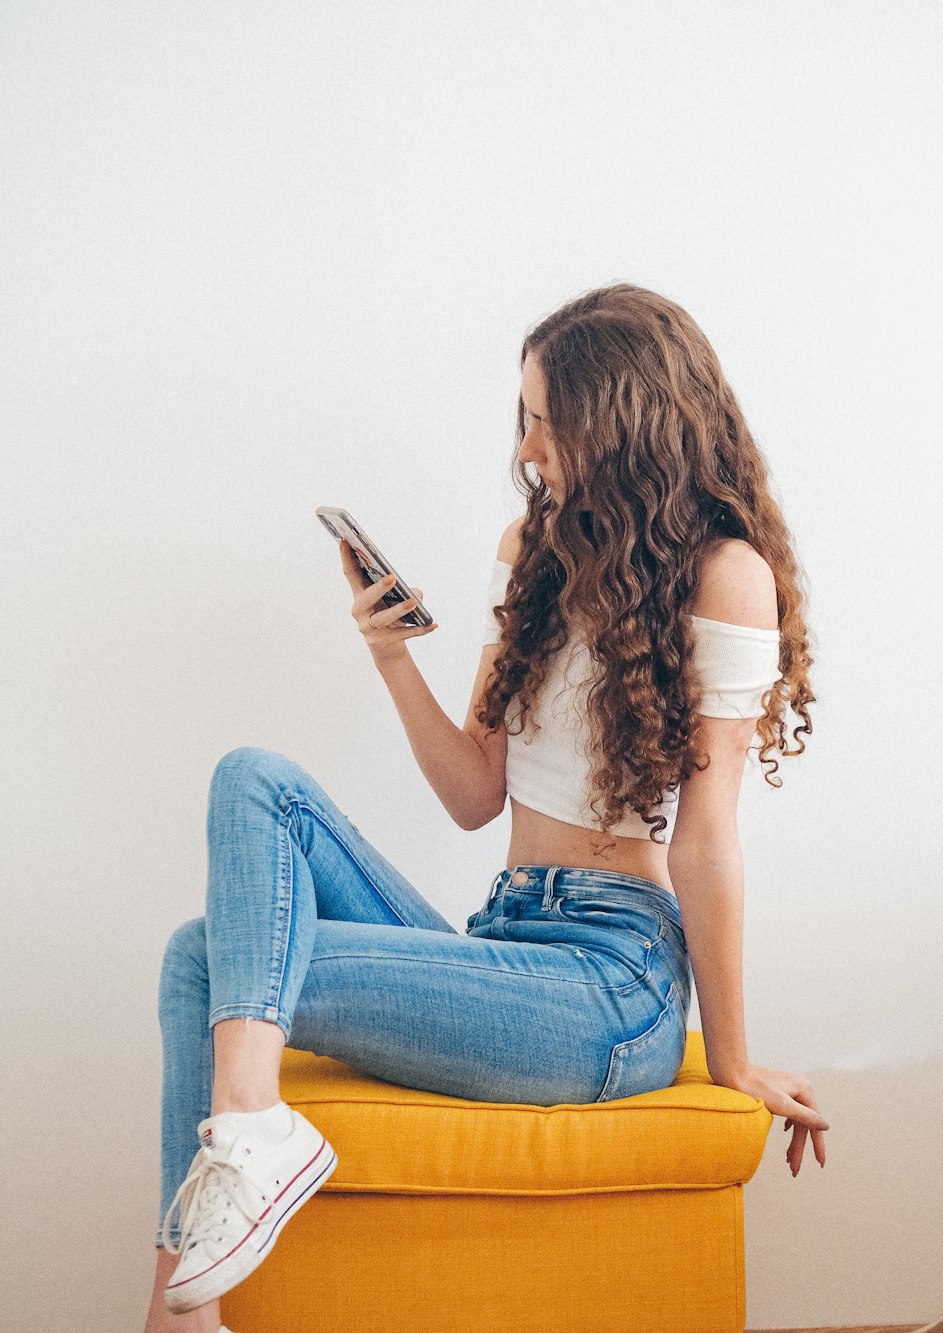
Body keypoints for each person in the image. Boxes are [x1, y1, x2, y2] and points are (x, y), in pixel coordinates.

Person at [144, 282, 829, 1332]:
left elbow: (706, 840)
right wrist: (390, 657)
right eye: (524, 416)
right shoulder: (536, 550)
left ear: (620, 419)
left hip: (609, 984)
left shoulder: (725, 576)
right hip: (506, 936)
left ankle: (238, 1155)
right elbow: (475, 795)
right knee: (247, 794)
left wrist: (731, 1057)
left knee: (228, 957)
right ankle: (191, 1298)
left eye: (544, 419)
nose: (528, 444)